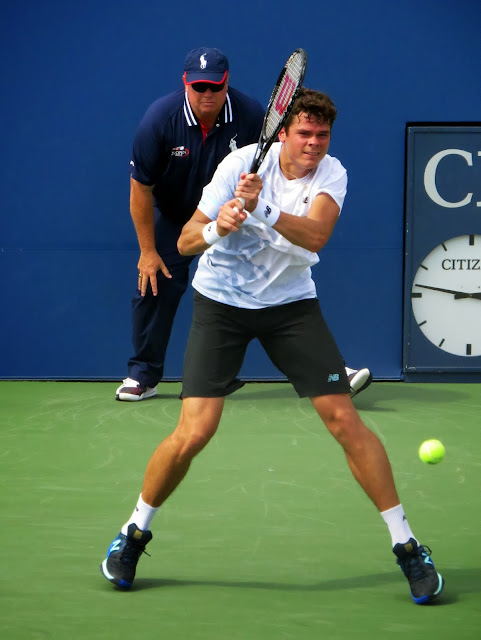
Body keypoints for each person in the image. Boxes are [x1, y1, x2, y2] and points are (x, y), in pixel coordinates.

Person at [100, 88, 444, 604]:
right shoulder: (237, 165)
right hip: (221, 306)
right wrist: (220, 224)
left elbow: (316, 236)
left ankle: (408, 545)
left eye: (322, 135)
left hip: (290, 309)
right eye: (303, 133)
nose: (313, 144)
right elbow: (188, 240)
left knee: (344, 421)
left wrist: (259, 212)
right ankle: (132, 534)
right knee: (194, 431)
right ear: (281, 133)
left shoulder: (332, 174)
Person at [115, 46, 372, 402]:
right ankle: (143, 374)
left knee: (282, 279)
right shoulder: (161, 119)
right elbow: (141, 187)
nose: (207, 94)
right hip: (182, 213)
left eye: (215, 87)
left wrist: (255, 206)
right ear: (186, 83)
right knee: (154, 281)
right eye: (199, 87)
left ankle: (330, 369)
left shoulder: (252, 114)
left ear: (226, 84)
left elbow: (269, 161)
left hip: (242, 205)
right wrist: (147, 250)